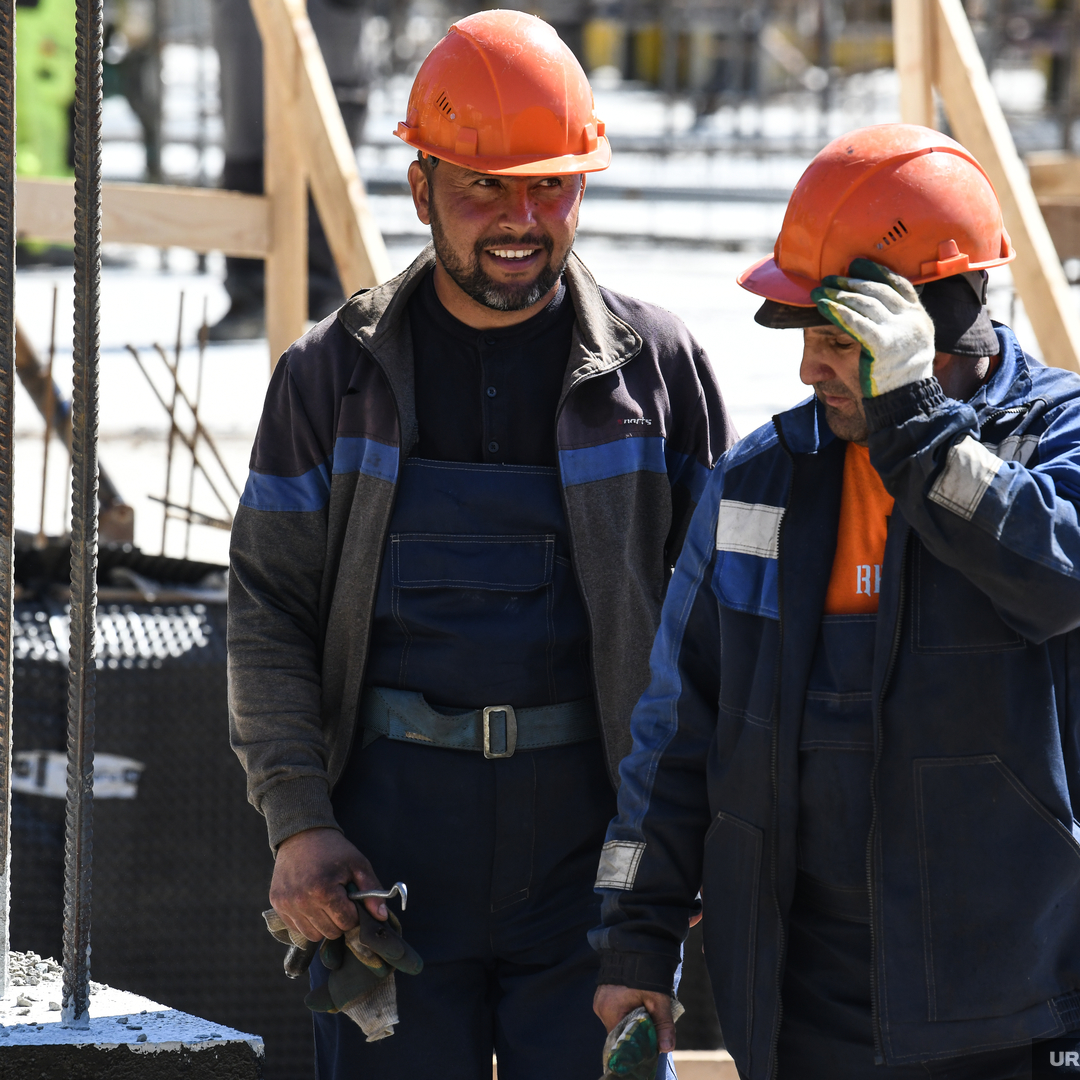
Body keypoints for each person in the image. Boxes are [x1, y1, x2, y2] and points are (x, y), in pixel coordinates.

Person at [227, 10, 736, 1076]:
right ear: (421, 189)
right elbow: (268, 610)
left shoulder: (658, 375)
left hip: (594, 858)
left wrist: (691, 841)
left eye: (550, 186)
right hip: (385, 863)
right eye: (483, 187)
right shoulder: (332, 378)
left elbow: (723, 630)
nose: (521, 219)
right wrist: (298, 822)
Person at [591, 123, 1080, 1079]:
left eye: (837, 340)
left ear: (933, 325)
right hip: (808, 1018)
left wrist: (917, 427)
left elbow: (1065, 576)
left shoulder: (1071, 435)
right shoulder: (762, 480)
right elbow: (677, 730)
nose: (810, 370)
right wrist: (637, 941)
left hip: (1024, 1016)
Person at [209, 0, 370, 339]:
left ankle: (327, 292)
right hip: (247, 22)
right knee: (246, 133)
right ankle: (251, 291)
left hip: (326, 20)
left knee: (324, 141)